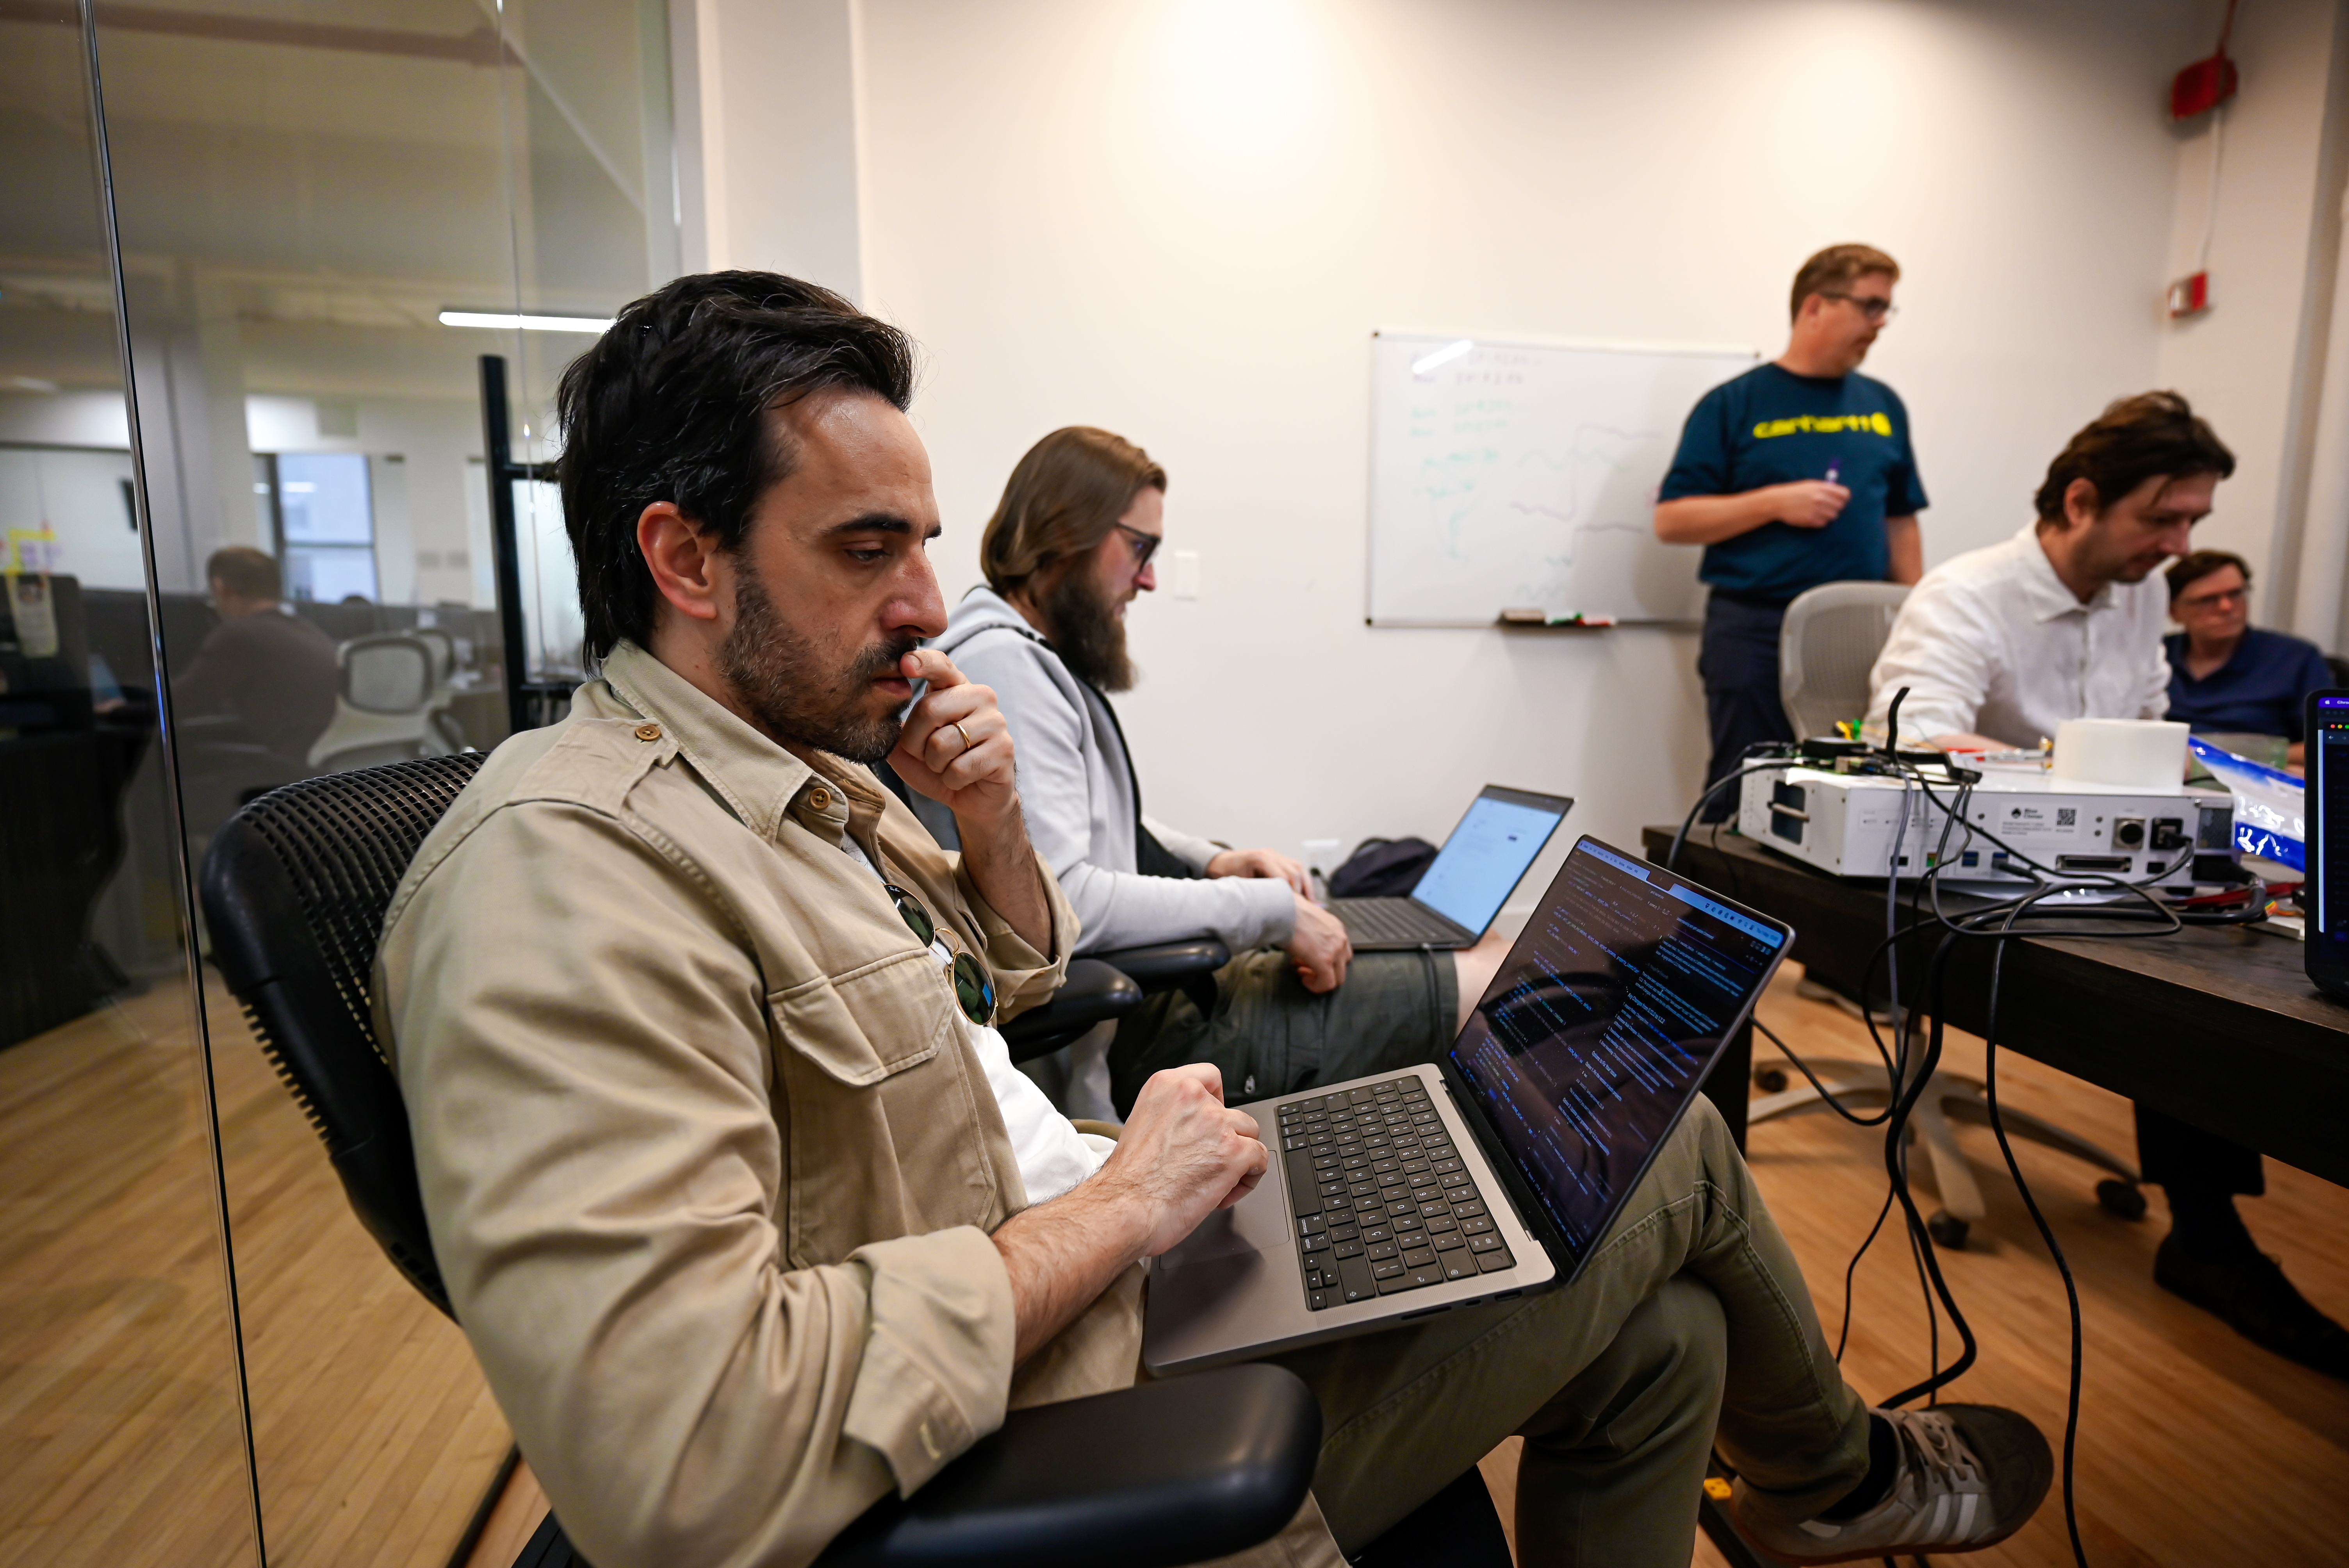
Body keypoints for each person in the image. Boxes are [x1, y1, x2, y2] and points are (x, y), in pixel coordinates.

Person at [376, 271, 2051, 1568]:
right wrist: (1116, 1213)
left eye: (925, 545)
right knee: (1671, 1152)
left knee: (1665, 1319)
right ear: (683, 555)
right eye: (866, 547)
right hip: (1051, 1403)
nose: (916, 602)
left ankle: (1813, 1481)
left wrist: (979, 824)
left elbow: (1013, 974)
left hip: (1114, 1276)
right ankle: (1833, 1479)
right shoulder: (564, 870)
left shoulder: (798, 780)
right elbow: (681, 1448)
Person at [1867, 391, 2349, 1379]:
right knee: (2187, 970)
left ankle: (2209, 1231)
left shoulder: (2136, 600)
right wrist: (2080, 785)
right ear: (2081, 500)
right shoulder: (1964, 594)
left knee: (2245, 934)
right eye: (2161, 519)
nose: (2177, 546)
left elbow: (2152, 731)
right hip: (1980, 878)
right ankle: (2209, 1241)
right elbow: (1907, 738)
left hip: (2110, 867)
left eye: (2193, 523)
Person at [936, 427, 1509, 1119]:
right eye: (1140, 547)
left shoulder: (1014, 652)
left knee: (1482, 948)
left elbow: (1092, 820)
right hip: (1148, 1042)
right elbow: (1069, 899)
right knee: (1493, 975)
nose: (1147, 578)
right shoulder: (1007, 667)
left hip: (1163, 993)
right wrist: (1270, 912)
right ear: (1064, 532)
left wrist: (1213, 862)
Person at [1656, 243, 1929, 817]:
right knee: (1742, 784)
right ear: (1816, 307)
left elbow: (1901, 517)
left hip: (1856, 630)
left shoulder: (1883, 405)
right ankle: (1709, 910)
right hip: (1754, 627)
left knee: (1846, 790)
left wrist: (1917, 616)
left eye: (1887, 310)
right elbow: (1673, 519)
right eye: (1871, 306)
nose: (1880, 324)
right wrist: (1775, 502)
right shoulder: (1734, 403)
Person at [171, 545, 339, 777]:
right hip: (326, 765)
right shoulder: (308, 630)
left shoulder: (238, 634)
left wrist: (128, 706)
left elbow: (178, 704)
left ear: (221, 588)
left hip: (292, 775)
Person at [2162, 549, 2333, 765]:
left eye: (2236, 594)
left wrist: (2244, 758)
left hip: (2259, 781)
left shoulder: (2294, 658)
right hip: (2165, 776)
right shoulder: (2156, 655)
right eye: (2208, 600)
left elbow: (2333, 741)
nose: (2227, 607)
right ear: (2174, 611)